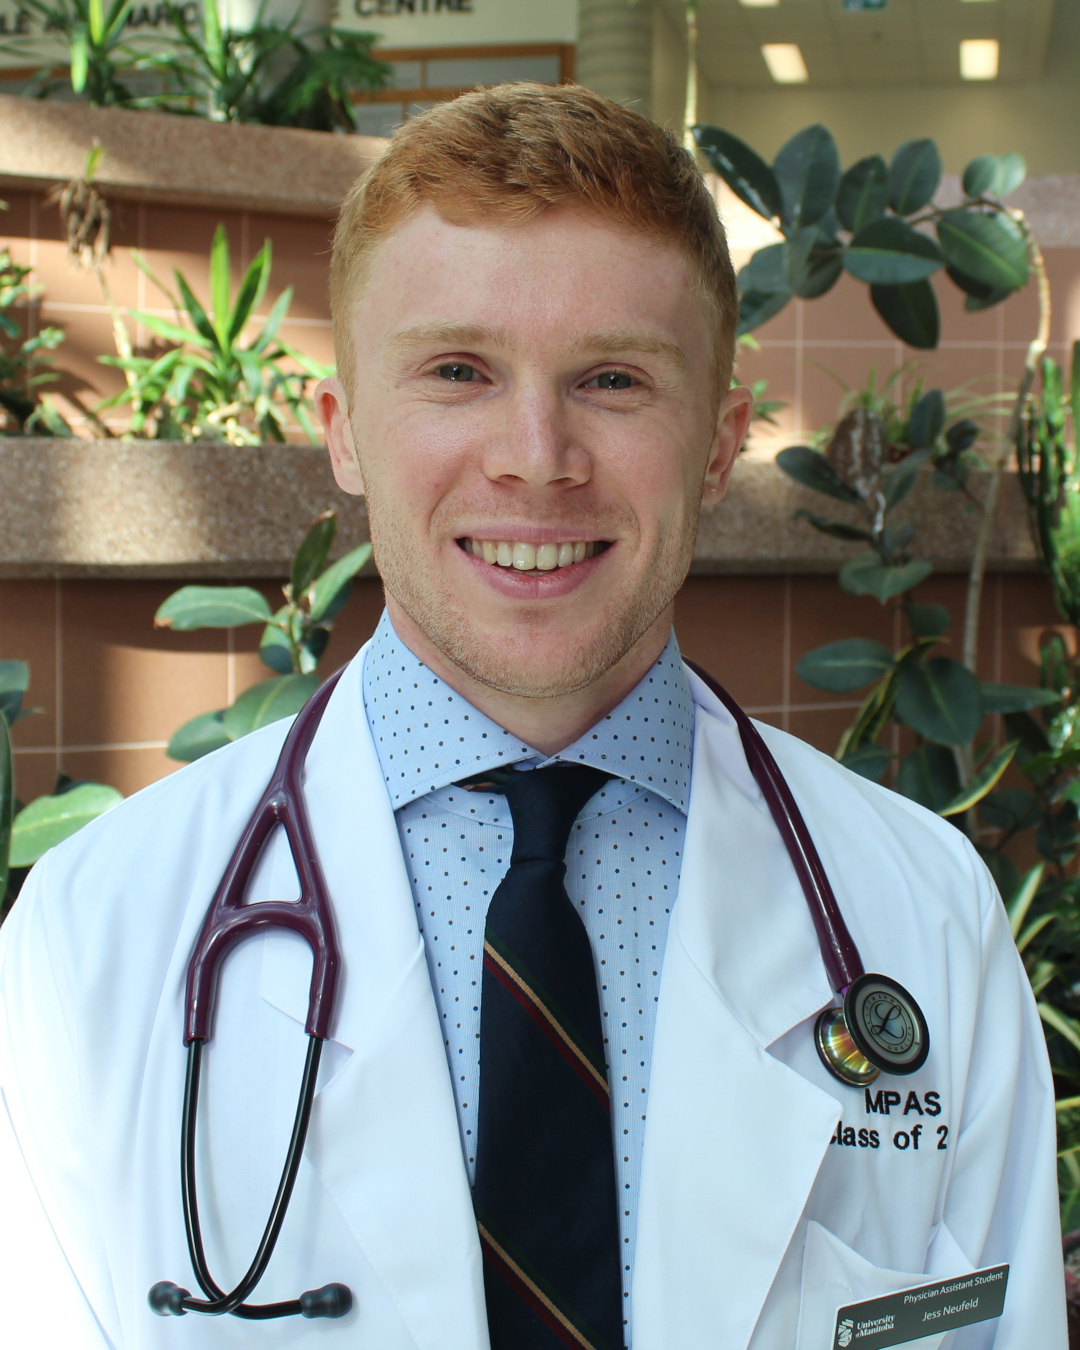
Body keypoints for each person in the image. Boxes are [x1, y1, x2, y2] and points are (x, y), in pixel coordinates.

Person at [0, 83, 1065, 1350]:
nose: (537, 455)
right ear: (343, 434)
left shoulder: (924, 916)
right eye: (458, 370)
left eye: (613, 379)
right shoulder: (91, 942)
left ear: (720, 446)